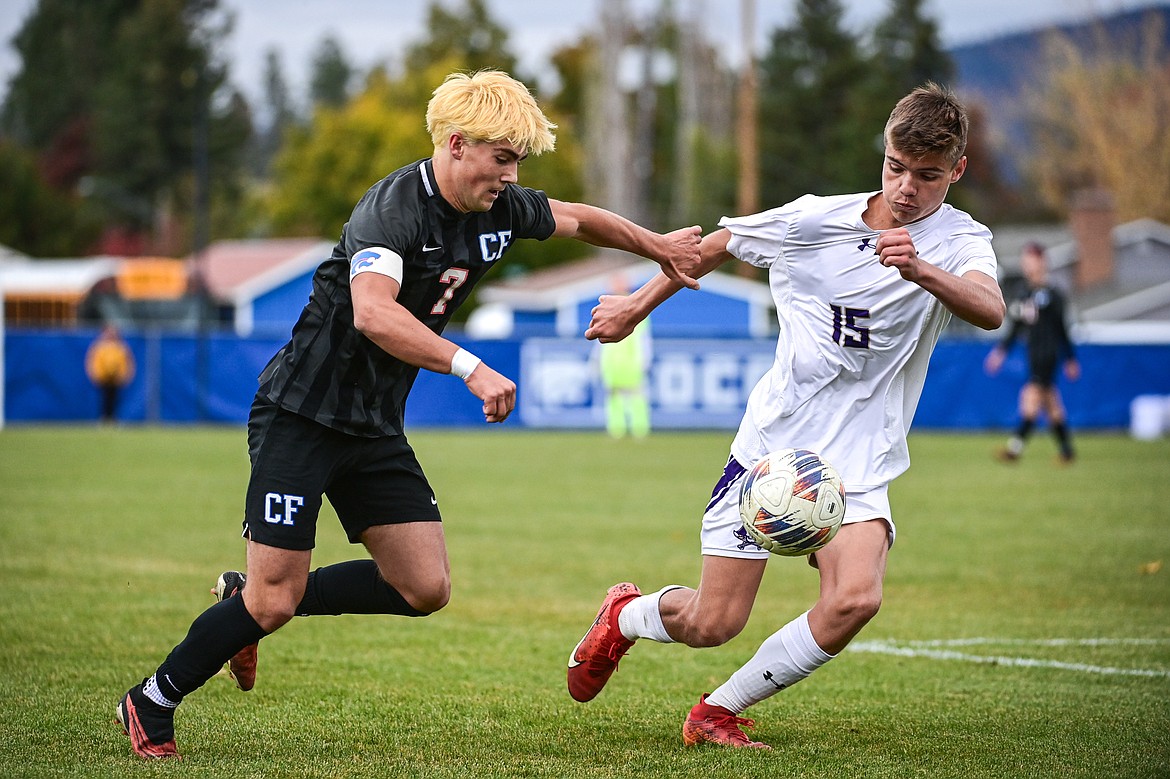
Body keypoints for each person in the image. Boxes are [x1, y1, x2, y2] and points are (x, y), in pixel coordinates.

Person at [115, 69, 701, 760]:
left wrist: (658, 246)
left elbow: (578, 217)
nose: (511, 176)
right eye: (501, 158)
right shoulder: (392, 207)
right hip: (300, 415)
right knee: (273, 604)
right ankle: (152, 698)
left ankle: (245, 598)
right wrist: (468, 365)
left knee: (423, 586)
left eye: (517, 161)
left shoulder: (500, 208)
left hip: (372, 425)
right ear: (456, 145)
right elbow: (372, 312)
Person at [566, 82, 1005, 749]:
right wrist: (635, 308)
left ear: (957, 170)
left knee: (856, 597)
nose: (907, 187)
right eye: (895, 167)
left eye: (927, 175)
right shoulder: (812, 221)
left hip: (858, 462)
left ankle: (717, 709)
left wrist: (921, 272)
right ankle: (626, 615)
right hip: (773, 453)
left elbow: (990, 307)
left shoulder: (961, 240)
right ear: (883, 152)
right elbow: (712, 248)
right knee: (714, 621)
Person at [984, 242, 1078, 463]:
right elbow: (1016, 327)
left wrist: (1071, 358)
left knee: (1030, 399)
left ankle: (1014, 449)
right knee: (1052, 404)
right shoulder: (1024, 293)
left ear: (1042, 262)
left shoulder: (1053, 295)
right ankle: (1067, 451)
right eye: (1025, 261)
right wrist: (1000, 352)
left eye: (1031, 260)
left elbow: (1062, 329)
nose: (1027, 265)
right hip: (1033, 354)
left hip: (1048, 355)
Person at [597, 273, 653, 439]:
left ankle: (640, 429)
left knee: (636, 397)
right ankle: (616, 430)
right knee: (613, 398)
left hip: (632, 361)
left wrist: (645, 358)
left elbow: (644, 338)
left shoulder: (638, 306)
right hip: (612, 363)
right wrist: (597, 361)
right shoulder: (606, 308)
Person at [84, 324, 135, 423]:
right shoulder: (99, 347)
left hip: (116, 378)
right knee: (104, 398)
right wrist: (97, 374)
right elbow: (94, 362)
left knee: (115, 399)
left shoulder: (121, 347)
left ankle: (113, 418)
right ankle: (104, 418)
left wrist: (124, 375)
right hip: (103, 378)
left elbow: (126, 363)